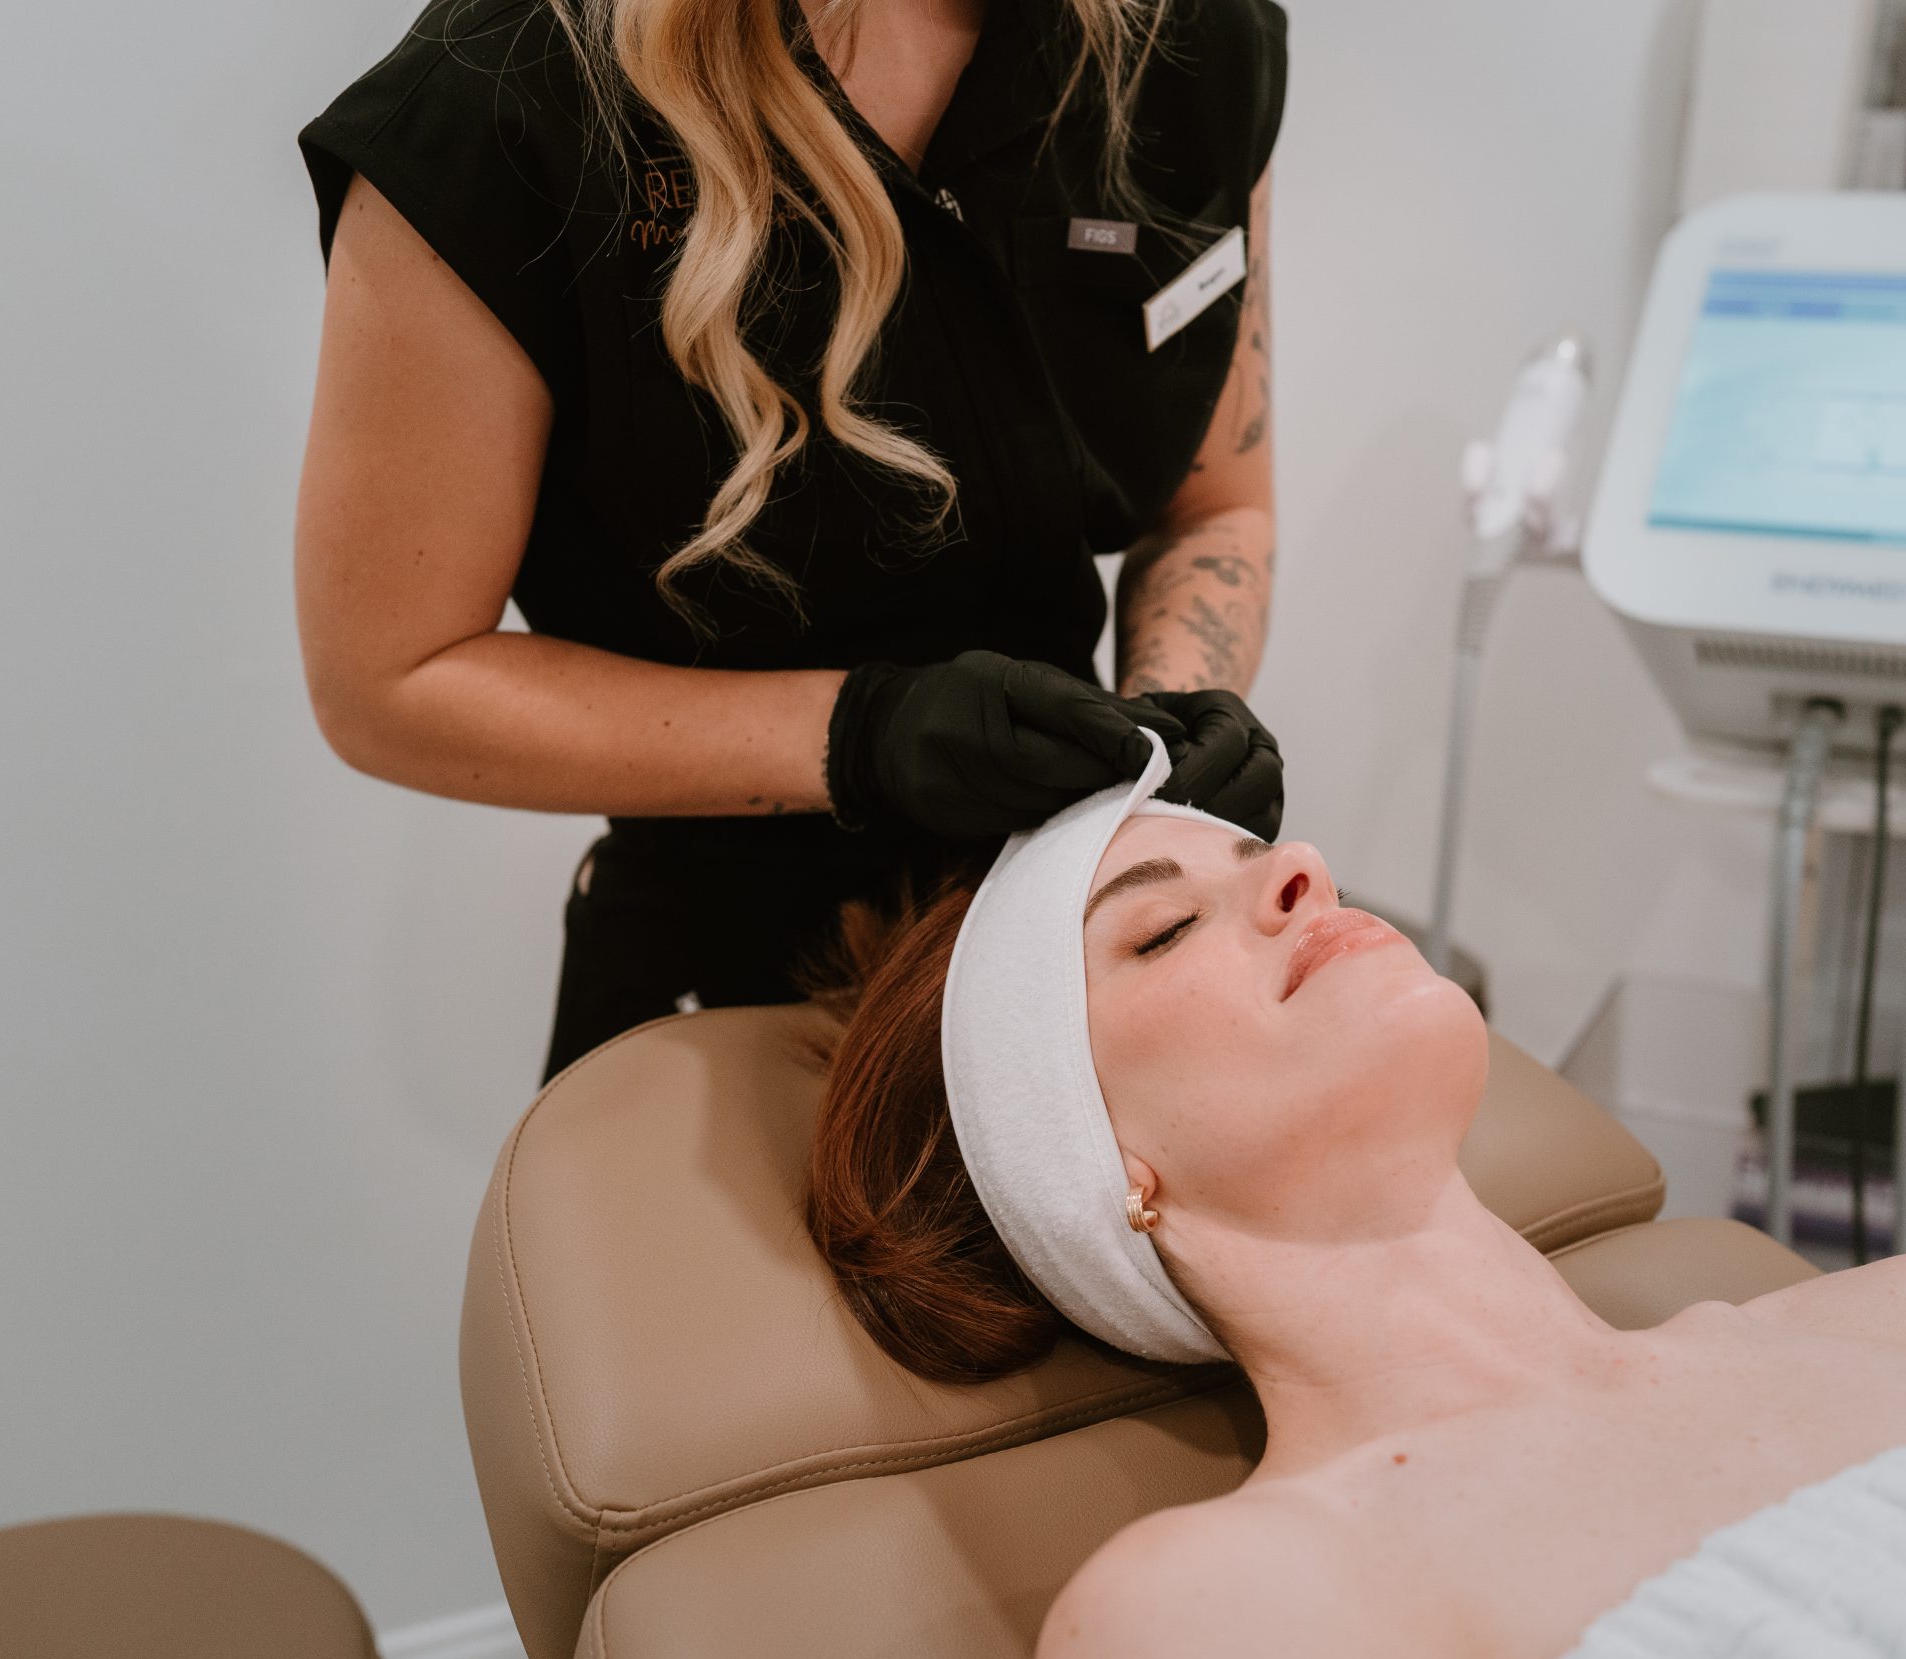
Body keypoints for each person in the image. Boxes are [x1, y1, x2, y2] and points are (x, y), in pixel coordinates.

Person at [805, 764, 1906, 1659]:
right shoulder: (1222, 1605)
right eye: (1163, 929)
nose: (1303, 862)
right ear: (1100, 1165)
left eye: (1264, 848)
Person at [292, 0, 1289, 1081]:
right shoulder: (503, 96)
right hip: (727, 989)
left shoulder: (1184, 44)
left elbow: (1214, 507)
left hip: (1067, 941)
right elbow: (388, 680)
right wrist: (859, 732)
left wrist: (1169, 730)